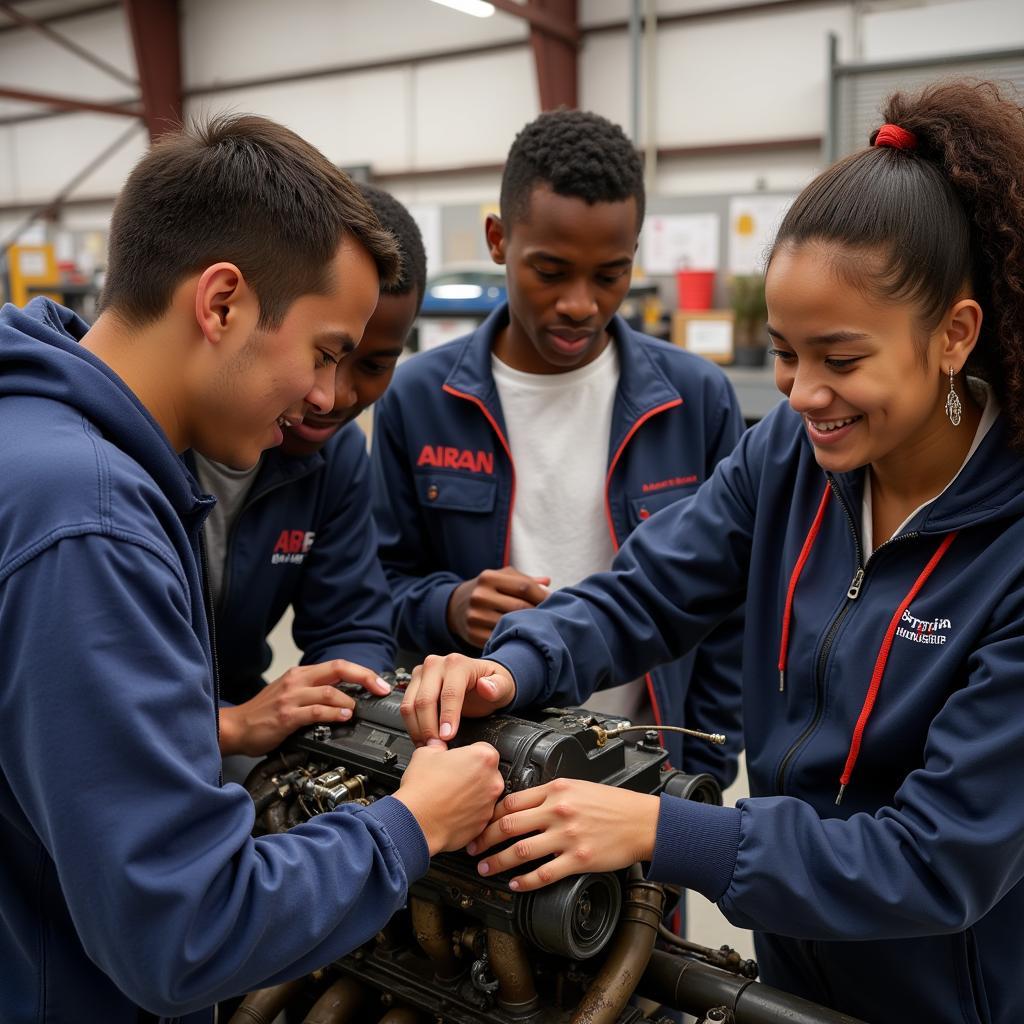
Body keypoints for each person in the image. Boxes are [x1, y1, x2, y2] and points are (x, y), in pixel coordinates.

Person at [400, 80, 1024, 1024]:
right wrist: (511, 669)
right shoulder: (791, 455)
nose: (805, 394)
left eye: (841, 360)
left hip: (951, 994)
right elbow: (647, 591)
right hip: (785, 969)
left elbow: (936, 860)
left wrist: (665, 829)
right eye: (784, 353)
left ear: (954, 335)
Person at [0, 115, 503, 1024]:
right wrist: (414, 824)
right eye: (323, 352)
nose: (326, 398)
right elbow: (184, 928)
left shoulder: (36, 448)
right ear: (222, 302)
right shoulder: (93, 521)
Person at [372, 109, 745, 785]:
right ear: (497, 239)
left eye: (609, 275)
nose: (579, 303)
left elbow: (729, 617)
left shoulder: (695, 401)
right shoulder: (419, 399)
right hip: (482, 766)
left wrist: (701, 776)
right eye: (550, 270)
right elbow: (376, 589)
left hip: (642, 776)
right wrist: (449, 607)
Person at [189, 182, 427, 760]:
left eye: (371, 365)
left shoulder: (336, 460)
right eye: (323, 356)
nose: (332, 395)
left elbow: (353, 620)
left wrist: (346, 707)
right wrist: (229, 725)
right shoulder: (116, 460)